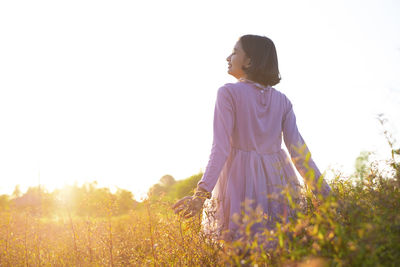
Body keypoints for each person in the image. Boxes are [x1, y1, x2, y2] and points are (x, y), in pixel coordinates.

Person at [173, 34, 331, 241]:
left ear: (249, 61)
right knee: (278, 247)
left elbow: (220, 147)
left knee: (238, 250)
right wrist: (326, 196)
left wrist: (201, 194)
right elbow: (299, 152)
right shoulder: (283, 101)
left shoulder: (228, 93)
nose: (228, 57)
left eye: (234, 52)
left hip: (237, 182)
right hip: (278, 183)